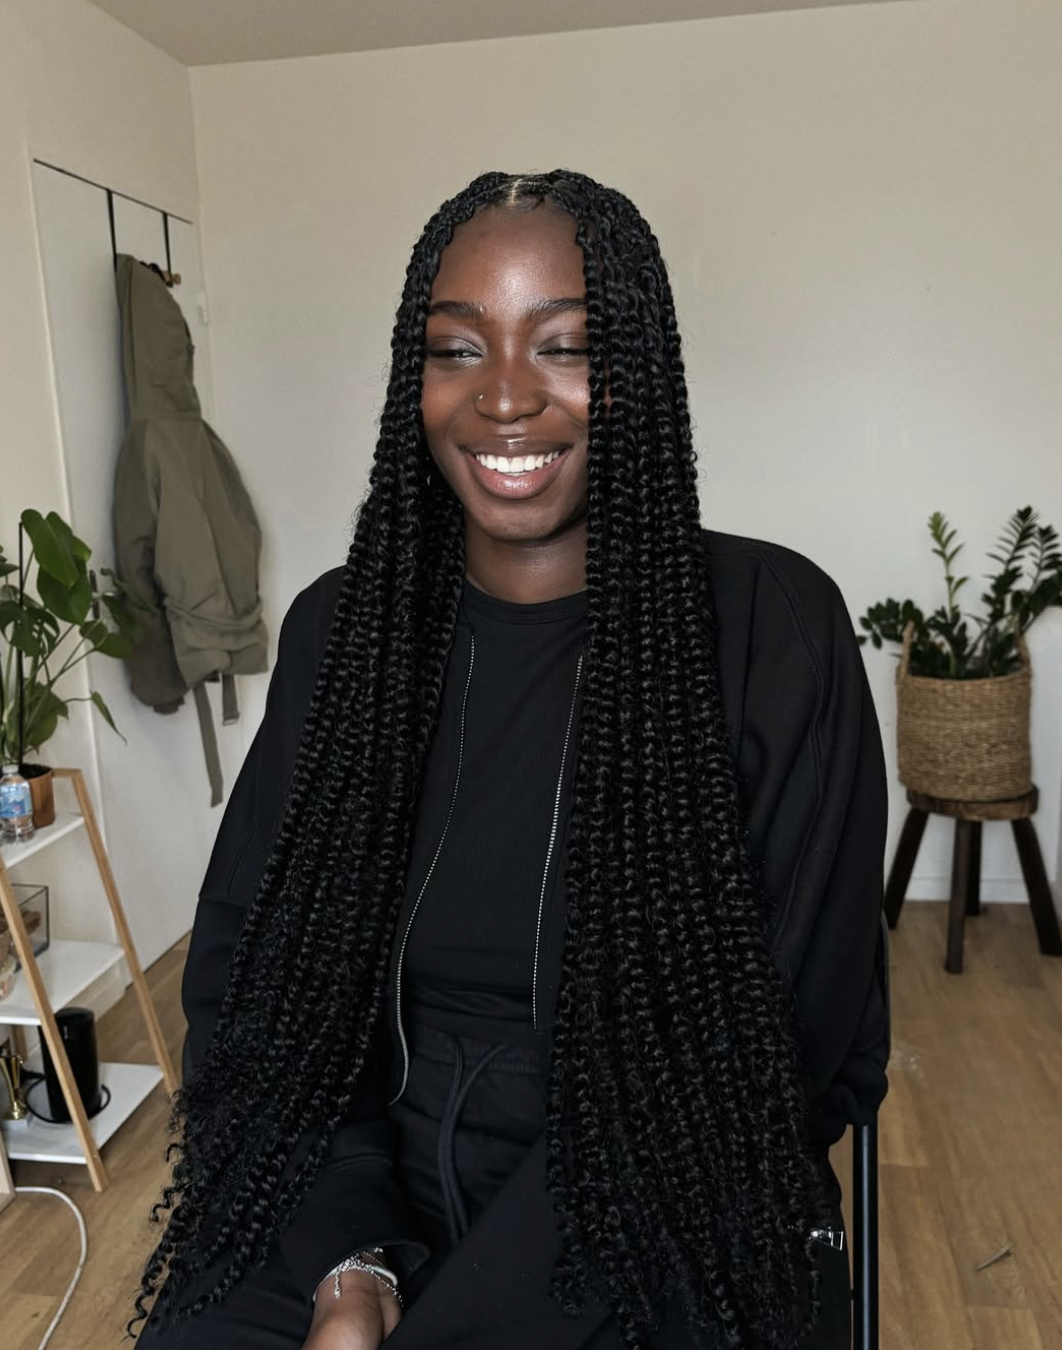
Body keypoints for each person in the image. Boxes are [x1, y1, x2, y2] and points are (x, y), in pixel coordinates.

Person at [132, 170, 888, 1350]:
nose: (503, 400)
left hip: (676, 1204)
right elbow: (249, 982)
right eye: (455, 350)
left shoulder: (768, 630)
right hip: (356, 1179)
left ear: (638, 369)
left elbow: (790, 1041)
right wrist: (349, 1262)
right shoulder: (345, 634)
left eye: (567, 346)